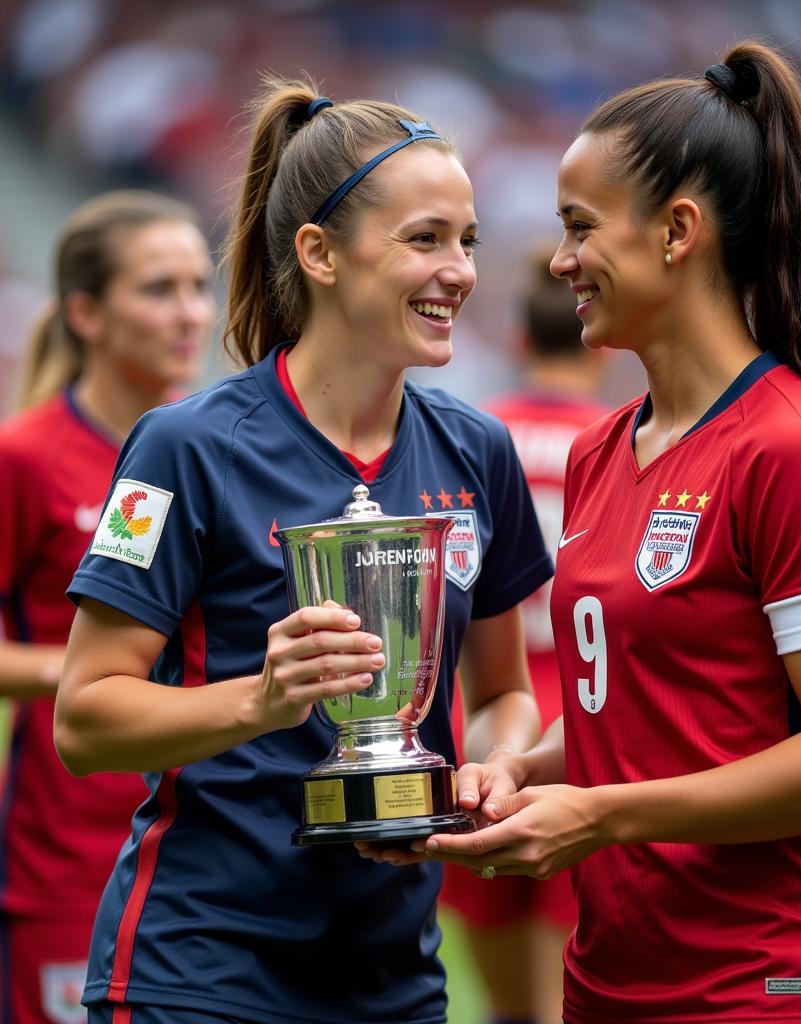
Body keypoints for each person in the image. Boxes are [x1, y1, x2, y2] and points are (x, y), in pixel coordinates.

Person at [362, 42, 801, 1023]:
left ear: (677, 231)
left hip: (772, 984)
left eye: (579, 227)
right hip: (614, 977)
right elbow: (646, 716)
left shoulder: (792, 449)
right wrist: (522, 774)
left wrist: (602, 815)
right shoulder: (600, 450)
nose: (560, 259)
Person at [54, 76, 551, 1024]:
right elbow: (85, 720)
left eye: (467, 241)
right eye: (424, 239)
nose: (460, 271)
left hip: (395, 980)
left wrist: (499, 765)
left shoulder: (477, 452)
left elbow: (499, 695)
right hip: (199, 971)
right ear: (318, 253)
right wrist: (263, 700)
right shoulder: (182, 447)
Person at [0, 191, 214, 1024]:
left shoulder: (212, 452)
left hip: (199, 861)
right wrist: (87, 672)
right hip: (65, 862)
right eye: (159, 289)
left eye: (199, 286)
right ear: (86, 313)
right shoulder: (26, 456)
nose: (190, 313)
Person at [441, 249, 608, 1024]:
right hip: (575, 731)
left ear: (516, 337)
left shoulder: (474, 436)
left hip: (473, 732)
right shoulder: (620, 444)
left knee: (507, 1005)